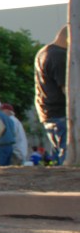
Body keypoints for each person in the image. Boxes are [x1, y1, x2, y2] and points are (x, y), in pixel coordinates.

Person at [34, 25, 67, 165]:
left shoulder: (43, 52)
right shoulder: (60, 56)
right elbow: (68, 90)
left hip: (47, 113)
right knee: (68, 157)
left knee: (59, 154)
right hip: (62, 114)